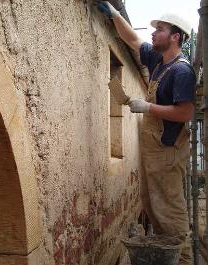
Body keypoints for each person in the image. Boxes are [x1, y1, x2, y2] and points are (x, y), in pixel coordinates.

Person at [95, 2, 196, 265]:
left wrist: (148, 106)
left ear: (175, 37)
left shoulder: (181, 70)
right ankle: (167, 258)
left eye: (159, 29)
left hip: (167, 152)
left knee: (169, 211)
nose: (153, 33)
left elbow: (185, 113)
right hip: (153, 150)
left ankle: (182, 259)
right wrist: (114, 13)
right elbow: (132, 38)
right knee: (152, 205)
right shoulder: (158, 59)